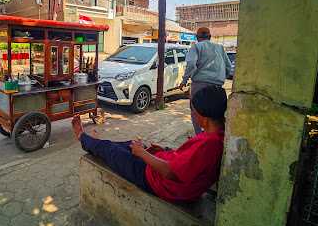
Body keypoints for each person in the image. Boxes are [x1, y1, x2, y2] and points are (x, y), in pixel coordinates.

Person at [72, 85, 227, 203]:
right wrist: (163, 151)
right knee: (127, 145)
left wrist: (143, 154)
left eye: (194, 112)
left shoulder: (210, 144)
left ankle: (82, 137)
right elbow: (188, 162)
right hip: (166, 174)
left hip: (158, 182)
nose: (193, 115)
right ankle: (95, 144)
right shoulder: (217, 136)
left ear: (204, 117)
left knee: (112, 150)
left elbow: (171, 173)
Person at [180, 27, 232, 135]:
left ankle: (200, 136)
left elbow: (190, 64)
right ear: (210, 37)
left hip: (200, 84)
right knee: (215, 114)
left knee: (196, 112)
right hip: (217, 86)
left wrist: (184, 80)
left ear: (197, 38)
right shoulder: (220, 48)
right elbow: (228, 67)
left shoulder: (196, 47)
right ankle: (215, 137)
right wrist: (221, 77)